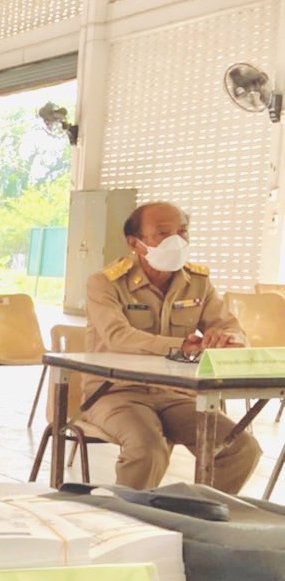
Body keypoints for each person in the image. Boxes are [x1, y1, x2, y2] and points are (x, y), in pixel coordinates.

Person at [85, 201, 260, 492]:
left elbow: (233, 329)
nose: (176, 241)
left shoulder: (198, 283)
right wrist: (179, 345)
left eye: (182, 232)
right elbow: (118, 336)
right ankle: (131, 525)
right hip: (115, 392)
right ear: (135, 243)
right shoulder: (104, 283)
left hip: (174, 393)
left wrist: (228, 339)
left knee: (240, 447)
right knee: (147, 449)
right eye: (164, 233)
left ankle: (193, 518)